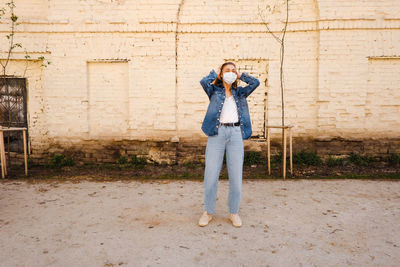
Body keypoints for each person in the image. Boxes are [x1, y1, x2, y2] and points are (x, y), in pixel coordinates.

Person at [198, 62, 260, 227]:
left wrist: (241, 76)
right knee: (210, 175)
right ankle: (208, 211)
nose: (231, 73)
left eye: (233, 71)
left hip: (235, 135)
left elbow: (256, 83)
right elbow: (204, 82)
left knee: (236, 177)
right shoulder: (214, 91)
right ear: (221, 73)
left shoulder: (240, 93)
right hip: (216, 134)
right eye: (227, 70)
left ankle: (233, 212)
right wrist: (215, 74)